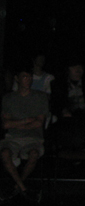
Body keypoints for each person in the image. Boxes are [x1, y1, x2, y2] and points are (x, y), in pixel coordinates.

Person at [0, 64, 49, 196]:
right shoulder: (8, 98)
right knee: (5, 153)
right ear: (17, 79)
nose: (28, 80)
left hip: (33, 137)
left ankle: (18, 185)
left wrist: (16, 124)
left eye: (30, 77)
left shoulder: (40, 97)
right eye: (25, 77)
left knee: (34, 154)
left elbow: (38, 123)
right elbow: (6, 124)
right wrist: (26, 121)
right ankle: (23, 188)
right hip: (12, 138)